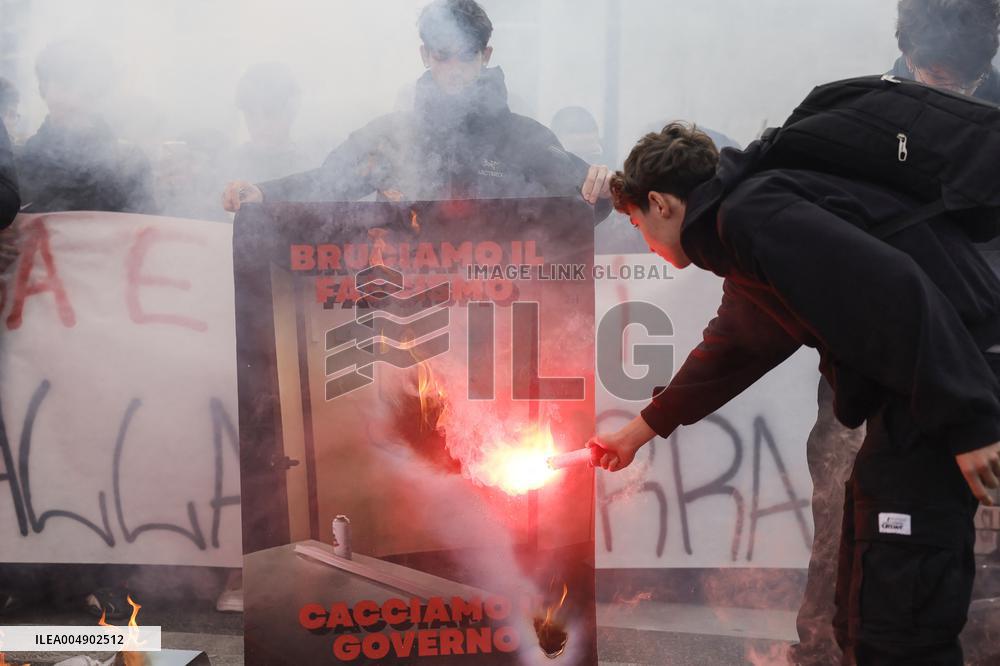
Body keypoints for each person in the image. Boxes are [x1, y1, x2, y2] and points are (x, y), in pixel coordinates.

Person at [590, 122, 1000, 665]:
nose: (645, 241)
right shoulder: (744, 225)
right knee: (863, 604)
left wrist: (968, 422)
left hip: (950, 385)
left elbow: (901, 290)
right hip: (924, 397)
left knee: (899, 614)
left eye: (640, 225)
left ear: (661, 203)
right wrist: (637, 432)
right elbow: (735, 344)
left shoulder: (758, 219)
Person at [789, 2, 1000, 662]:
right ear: (905, 48)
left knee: (959, 546)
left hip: (980, 370)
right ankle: (823, 652)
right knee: (845, 522)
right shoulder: (853, 122)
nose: (948, 90)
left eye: (962, 78)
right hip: (871, 371)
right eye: (932, 72)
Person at [222, 0, 611, 213]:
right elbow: (327, 181)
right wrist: (264, 194)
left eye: (466, 56)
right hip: (410, 319)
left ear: (485, 55)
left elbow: (588, 201)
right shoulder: (392, 136)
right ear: (425, 55)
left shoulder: (524, 138)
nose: (455, 70)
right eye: (443, 56)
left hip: (496, 313)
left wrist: (609, 188)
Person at [17, 39, 156, 214]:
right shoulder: (20, 162)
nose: (74, 101)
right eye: (64, 86)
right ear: (43, 89)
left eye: (87, 90)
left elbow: (146, 231)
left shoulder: (128, 161)